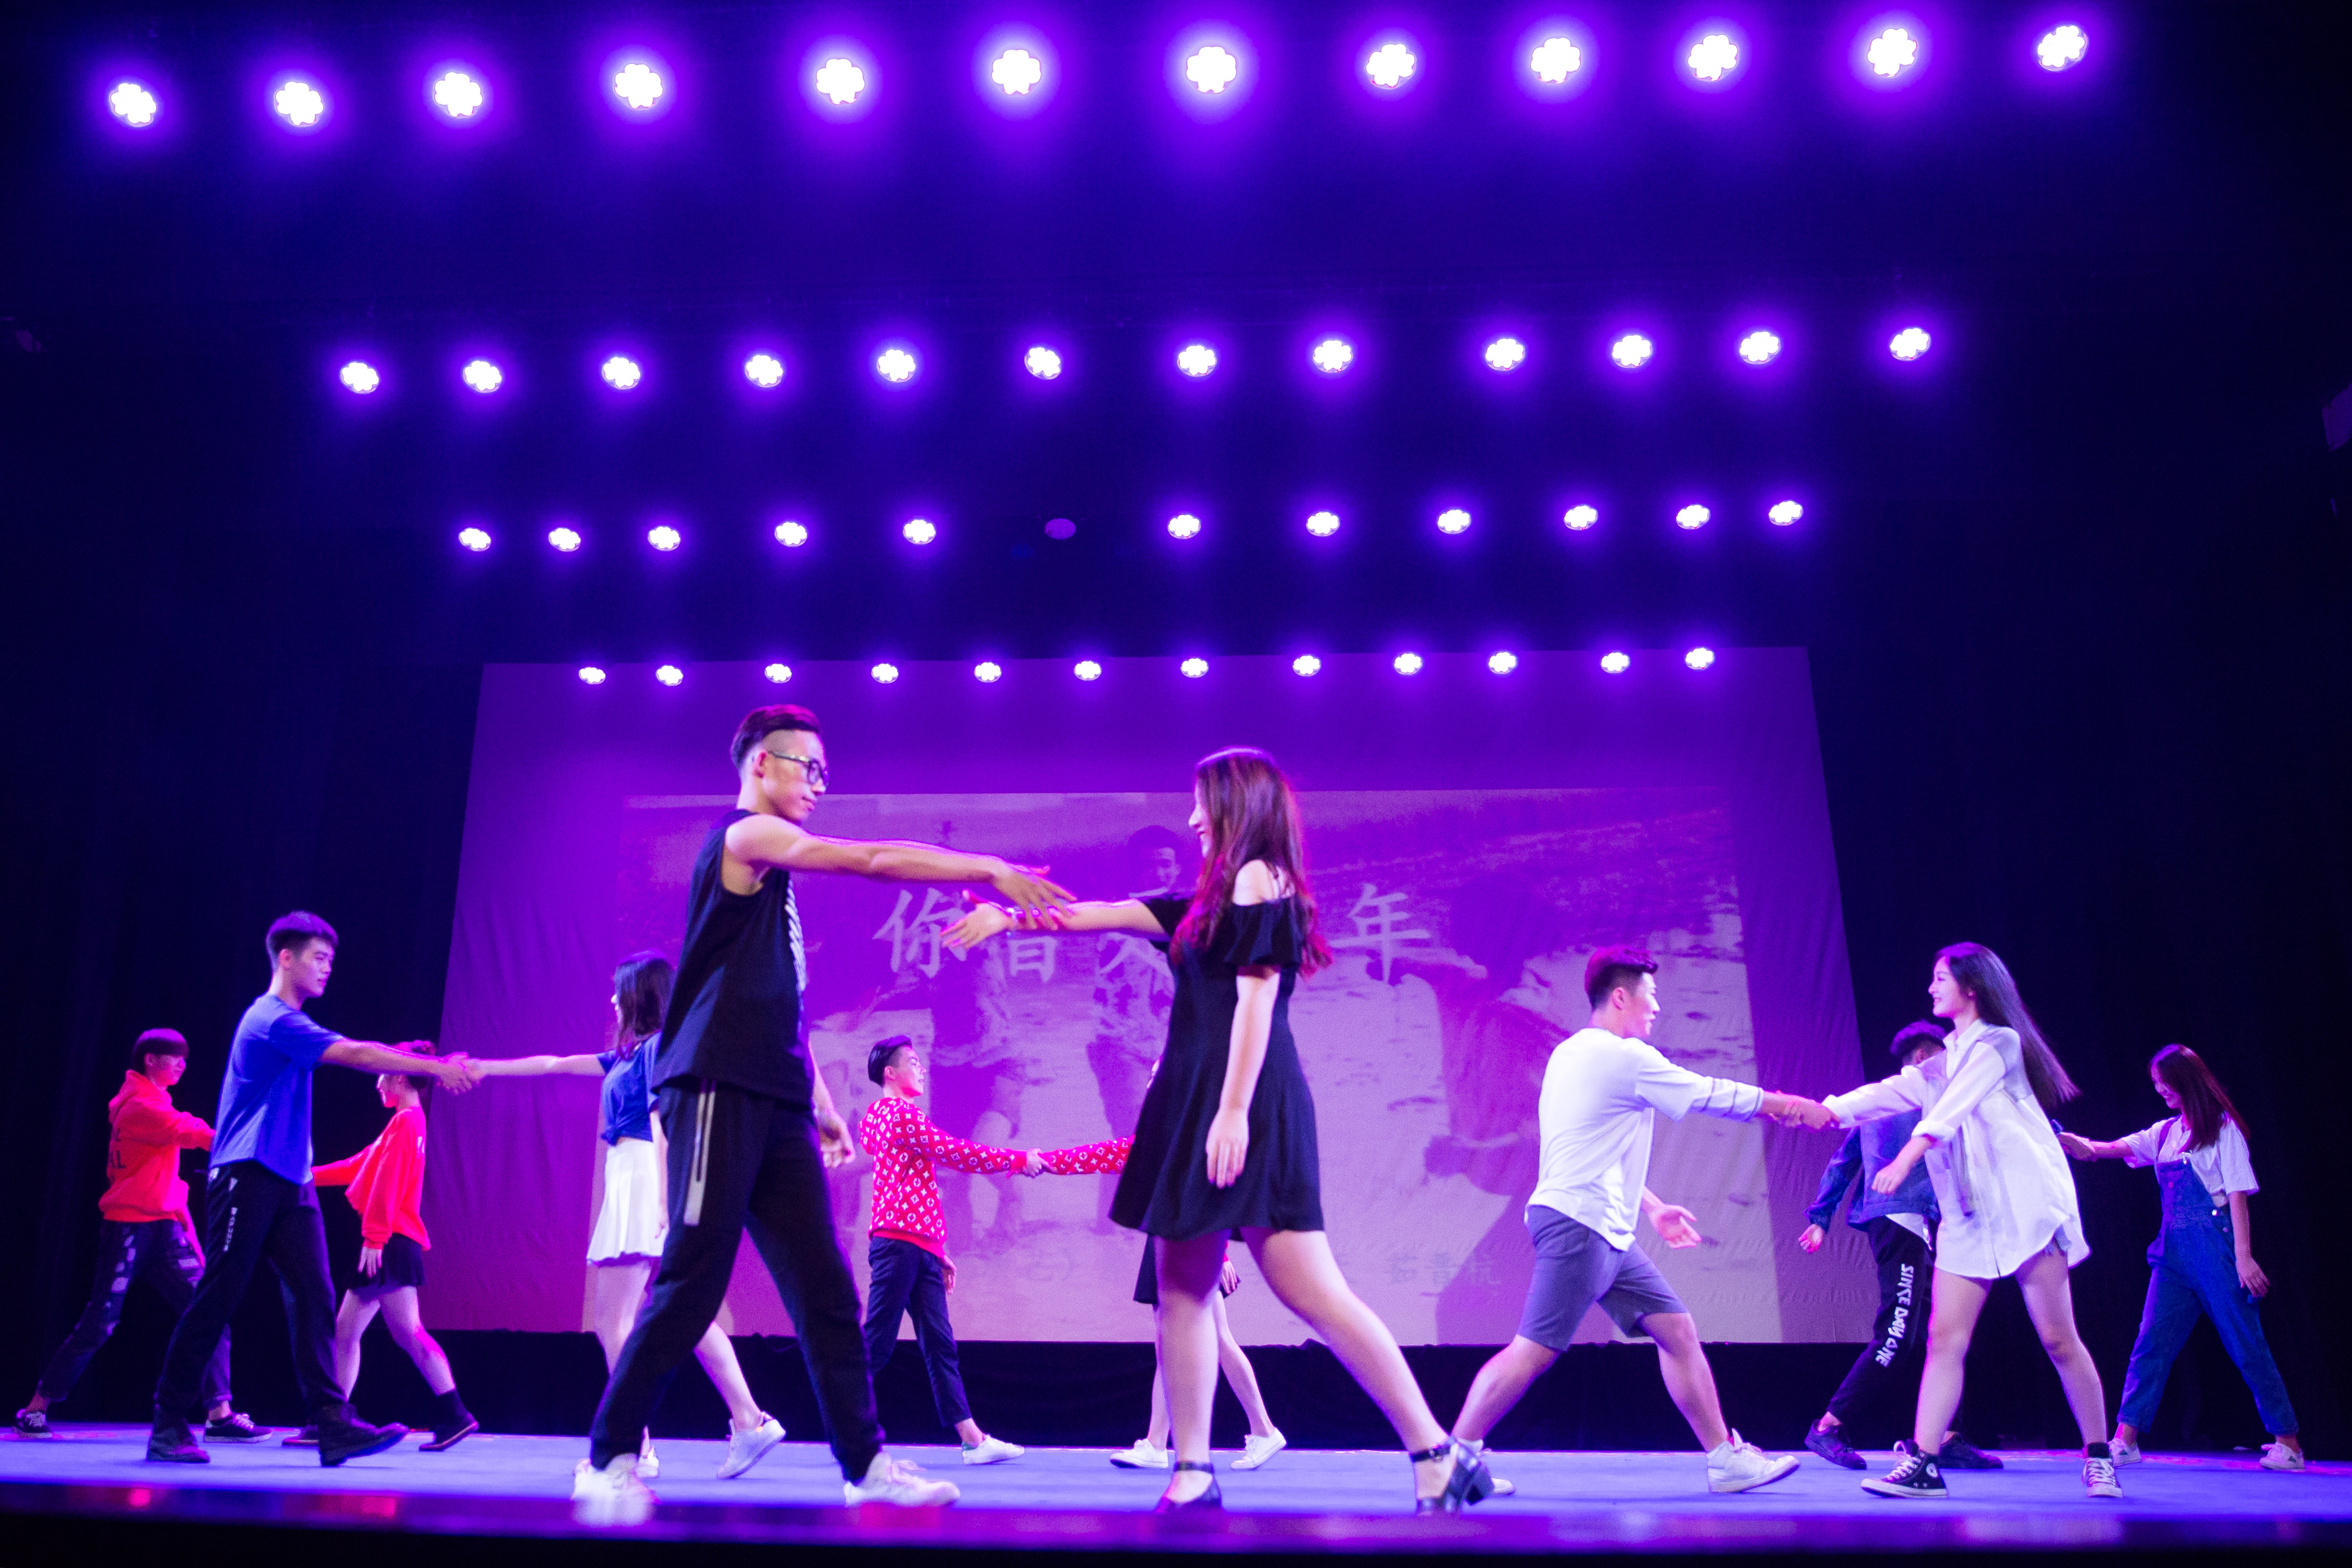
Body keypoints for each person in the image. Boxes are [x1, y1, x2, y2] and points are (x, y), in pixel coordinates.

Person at [947, 745, 1485, 1514]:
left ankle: (1435, 1451)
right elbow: (1094, 915)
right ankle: (1194, 1469)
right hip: (1191, 1099)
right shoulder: (1202, 906)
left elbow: (1258, 998)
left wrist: (1232, 1109)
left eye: (1202, 803)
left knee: (1311, 1289)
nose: (1193, 817)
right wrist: (1006, 916)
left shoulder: (1262, 876)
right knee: (1180, 1290)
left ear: (1238, 806)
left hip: (1246, 1098)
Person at [571, 703, 1073, 1524]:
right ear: (759, 764)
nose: (817, 784)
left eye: (824, 772)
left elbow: (774, 1000)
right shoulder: (744, 838)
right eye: (807, 767)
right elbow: (868, 857)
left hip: (775, 1097)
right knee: (693, 1279)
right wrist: (984, 865)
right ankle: (608, 1458)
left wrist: (822, 1103)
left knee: (827, 1287)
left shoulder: (775, 886)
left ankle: (866, 1465)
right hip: (714, 1089)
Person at [1444, 946, 1824, 1496]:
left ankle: (1724, 1458)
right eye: (1651, 995)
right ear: (1620, 997)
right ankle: (1453, 1459)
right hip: (1581, 1224)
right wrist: (1788, 1105)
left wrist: (1651, 1206)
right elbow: (1707, 1093)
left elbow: (1591, 1147)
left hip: (1600, 1224)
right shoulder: (1622, 1057)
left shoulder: (1569, 1053)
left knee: (1677, 1330)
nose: (1657, 1007)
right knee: (1533, 1349)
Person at [147, 911, 484, 1466]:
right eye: (318, 958)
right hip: (246, 1172)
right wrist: (437, 1067)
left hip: (292, 1181)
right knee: (219, 1294)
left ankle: (332, 1421)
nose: (327, 968)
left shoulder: (297, 1026)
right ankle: (168, 1422)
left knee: (316, 1296)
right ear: (286, 958)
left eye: (331, 960)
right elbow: (355, 1053)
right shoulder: (271, 1019)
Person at [1822, 942, 2119, 1502]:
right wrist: (1819, 1109)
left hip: (2028, 1207)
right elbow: (1887, 1093)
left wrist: (1906, 1157)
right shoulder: (1938, 1063)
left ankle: (2099, 1457)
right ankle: (1924, 1462)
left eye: (1940, 978)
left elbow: (1952, 1106)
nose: (1931, 987)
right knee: (1943, 1338)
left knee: (2058, 1338)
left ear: (1972, 986)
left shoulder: (1998, 1043)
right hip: (1968, 1217)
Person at [480, 952, 785, 1483]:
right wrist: (483, 1068)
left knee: (614, 1321)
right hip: (634, 1177)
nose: (612, 1000)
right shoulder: (628, 1055)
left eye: (619, 991)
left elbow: (661, 1121)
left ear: (640, 996)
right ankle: (748, 1419)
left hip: (643, 1176)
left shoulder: (656, 1050)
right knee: (686, 1312)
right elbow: (553, 1064)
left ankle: (629, 1445)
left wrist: (663, 1198)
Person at [857, 1035, 1127, 1463]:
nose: (921, 1067)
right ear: (890, 1073)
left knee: (939, 1345)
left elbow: (909, 1185)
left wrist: (935, 1249)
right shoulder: (898, 1115)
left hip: (916, 1244)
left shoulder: (884, 1119)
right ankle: (838, 1422)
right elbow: (957, 1154)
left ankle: (972, 1440)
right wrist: (1018, 1160)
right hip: (899, 1244)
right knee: (878, 1342)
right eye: (912, 1062)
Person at [2060, 1044, 2302, 1471]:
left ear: (2186, 1081)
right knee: (2151, 1343)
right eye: (2156, 1084)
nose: (2161, 1091)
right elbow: (2115, 1147)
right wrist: (2084, 1146)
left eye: (2165, 1083)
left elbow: (2237, 1193)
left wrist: (2243, 1257)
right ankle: (2126, 1439)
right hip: (2172, 1253)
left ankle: (2288, 1443)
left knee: (2246, 1344)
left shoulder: (2222, 1128)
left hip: (2215, 1248)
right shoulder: (2165, 1133)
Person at [16, 1029, 261, 1443]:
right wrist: (244, 1141)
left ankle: (220, 1415)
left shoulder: (156, 1102)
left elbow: (167, 1180)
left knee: (211, 1312)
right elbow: (190, 1131)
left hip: (165, 1229)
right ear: (150, 1060)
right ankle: (35, 1409)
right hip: (128, 1229)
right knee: (100, 1322)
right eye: (174, 1057)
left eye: (185, 1058)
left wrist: (188, 1233)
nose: (182, 1065)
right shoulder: (139, 1107)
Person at [1797, 1021, 1999, 1471]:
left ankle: (1944, 1437)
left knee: (1942, 1333)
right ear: (1921, 1059)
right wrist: (1818, 1218)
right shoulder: (1904, 1099)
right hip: (1898, 1218)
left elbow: (1842, 1164)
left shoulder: (1927, 1099)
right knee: (1896, 1333)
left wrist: (1820, 1219)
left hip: (1925, 1223)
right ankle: (1828, 1425)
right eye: (1940, 1056)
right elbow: (1844, 1162)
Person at [314, 1052, 478, 1452]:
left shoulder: (406, 1123)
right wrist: (306, 1178)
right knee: (352, 1331)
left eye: (383, 1076)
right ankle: (333, 1420)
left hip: (389, 1242)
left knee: (404, 1333)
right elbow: (361, 1165)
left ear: (402, 1079)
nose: (378, 1084)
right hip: (392, 1241)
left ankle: (455, 1414)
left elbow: (388, 1182)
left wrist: (373, 1238)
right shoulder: (406, 1121)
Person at [1108, 1236, 1285, 1473]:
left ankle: (1264, 1430)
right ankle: (1156, 1443)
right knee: (1168, 1347)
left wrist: (1220, 1255)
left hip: (1192, 1240)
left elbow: (1208, 1209)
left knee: (1219, 1338)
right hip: (1168, 1237)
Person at [1085, 826, 1188, 1226]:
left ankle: (1129, 1224)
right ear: (1133, 868)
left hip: (1170, 1045)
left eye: (1165, 864)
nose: (1158, 873)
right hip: (1118, 1043)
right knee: (1129, 1135)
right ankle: (1110, 1226)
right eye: (1149, 865)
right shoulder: (1116, 918)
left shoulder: (1189, 920)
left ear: (1177, 868)